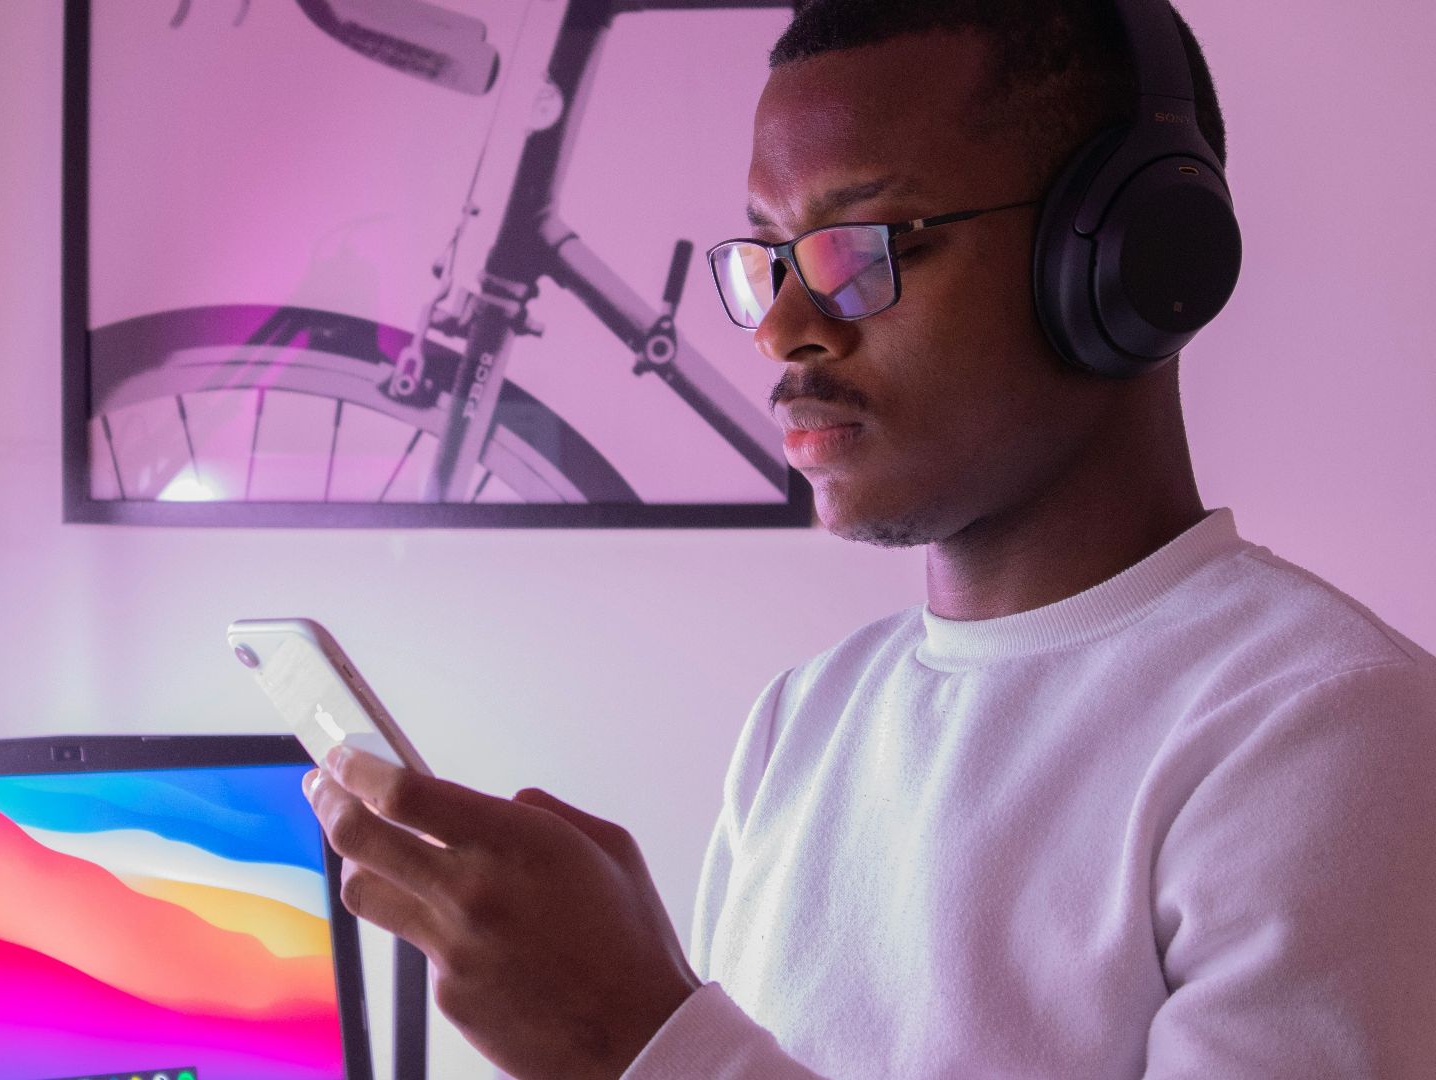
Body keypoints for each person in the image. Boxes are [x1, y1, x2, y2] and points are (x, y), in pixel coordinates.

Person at [302, 2, 1436, 1078]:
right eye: (771, 258)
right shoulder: (806, 717)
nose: (787, 327)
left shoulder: (1329, 728)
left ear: (1124, 260)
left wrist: (635, 1037)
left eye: (863, 247)